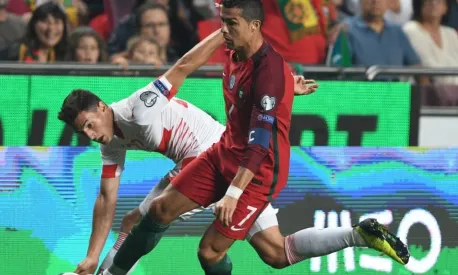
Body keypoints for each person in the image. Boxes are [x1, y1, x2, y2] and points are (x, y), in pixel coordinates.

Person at [101, 1, 410, 275]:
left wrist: (234, 192)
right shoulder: (238, 51)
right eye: (222, 22)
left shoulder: (269, 72)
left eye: (231, 24)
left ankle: (359, 236)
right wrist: (289, 85)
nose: (224, 29)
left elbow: (260, 142)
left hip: (258, 172)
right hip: (224, 153)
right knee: (161, 211)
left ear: (254, 26)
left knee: (213, 251)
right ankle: (111, 274)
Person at [57, 32, 317, 275]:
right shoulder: (109, 142)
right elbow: (106, 197)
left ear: (102, 107)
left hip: (211, 157)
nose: (90, 135)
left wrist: (221, 31)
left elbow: (183, 66)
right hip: (218, 155)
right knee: (275, 252)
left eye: (90, 125)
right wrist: (91, 256)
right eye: (83, 131)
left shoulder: (139, 107)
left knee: (139, 221)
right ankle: (354, 235)